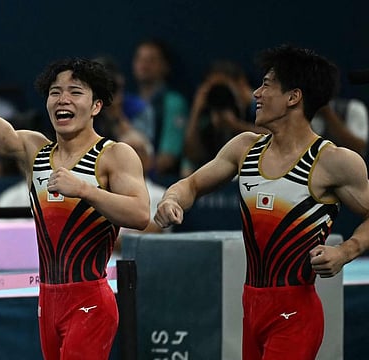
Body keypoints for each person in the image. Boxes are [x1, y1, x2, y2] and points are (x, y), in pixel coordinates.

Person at [0, 25, 150, 360]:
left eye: (75, 92)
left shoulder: (115, 154)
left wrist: (84, 189)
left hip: (90, 300)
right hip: (47, 300)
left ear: (96, 106)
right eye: (55, 92)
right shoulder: (34, 151)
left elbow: (140, 215)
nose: (63, 99)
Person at [154, 44, 369, 360]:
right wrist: (172, 200)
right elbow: (192, 184)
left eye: (267, 84)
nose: (256, 93)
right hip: (251, 308)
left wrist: (345, 251)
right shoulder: (244, 148)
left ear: (293, 97)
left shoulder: (332, 161)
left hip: (295, 314)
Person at [183, 60, 266, 175]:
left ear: (241, 83)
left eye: (223, 86)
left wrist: (237, 126)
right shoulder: (210, 112)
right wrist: (196, 110)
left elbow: (278, 137)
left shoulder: (262, 106)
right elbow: (193, 155)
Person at [131, 38, 188, 184]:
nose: (144, 65)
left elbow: (168, 157)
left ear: (165, 66)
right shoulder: (126, 101)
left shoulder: (174, 102)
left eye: (151, 60)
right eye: (140, 58)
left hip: (161, 182)